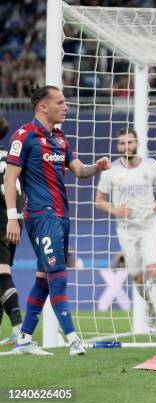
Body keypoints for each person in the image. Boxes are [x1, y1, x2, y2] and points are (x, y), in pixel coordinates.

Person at [5, 84, 110, 356]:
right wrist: (12, 217)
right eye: (61, 102)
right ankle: (73, 338)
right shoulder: (24, 136)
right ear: (43, 107)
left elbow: (79, 170)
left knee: (43, 277)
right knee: (58, 276)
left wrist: (96, 168)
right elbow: (10, 178)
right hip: (41, 215)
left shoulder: (60, 138)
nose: (66, 107)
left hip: (62, 216)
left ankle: (25, 337)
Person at [95, 128, 156, 339]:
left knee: (154, 270)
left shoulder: (151, 166)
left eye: (129, 143)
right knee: (137, 277)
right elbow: (99, 200)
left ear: (136, 144)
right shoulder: (110, 171)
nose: (125, 147)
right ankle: (149, 307)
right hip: (127, 231)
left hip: (150, 226)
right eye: (121, 143)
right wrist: (115, 209)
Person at [0, 115, 25, 346]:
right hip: (15, 219)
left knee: (2, 273)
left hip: (3, 219)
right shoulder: (10, 157)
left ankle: (19, 329)